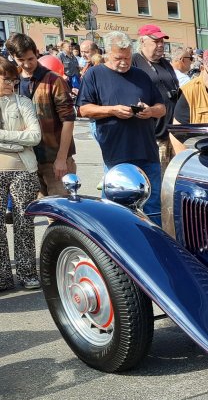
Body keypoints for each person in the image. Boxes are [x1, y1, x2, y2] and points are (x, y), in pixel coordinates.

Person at [77, 30, 165, 218]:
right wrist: (112, 110)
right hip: (116, 153)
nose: (124, 62)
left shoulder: (141, 75)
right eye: (118, 58)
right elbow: (83, 110)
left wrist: (150, 111)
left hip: (147, 151)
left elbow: (162, 108)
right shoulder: (95, 74)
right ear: (107, 53)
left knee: (153, 205)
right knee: (115, 207)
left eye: (127, 57)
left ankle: (154, 244)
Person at [5, 33, 76, 197]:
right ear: (12, 57)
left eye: (30, 58)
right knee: (31, 209)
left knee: (60, 210)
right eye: (21, 60)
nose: (27, 64)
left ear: (36, 52)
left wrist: (62, 158)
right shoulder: (11, 80)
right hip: (24, 157)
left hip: (53, 156)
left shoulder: (54, 80)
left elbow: (68, 120)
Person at [0, 56, 42, 290]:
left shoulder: (22, 102)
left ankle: (27, 273)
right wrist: (17, 141)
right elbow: (25, 138)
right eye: (5, 79)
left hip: (24, 170)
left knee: (24, 222)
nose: (10, 84)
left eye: (13, 80)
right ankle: (2, 275)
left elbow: (35, 136)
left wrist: (3, 137)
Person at [132, 24, 182, 178]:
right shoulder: (135, 62)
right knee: (157, 180)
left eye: (162, 41)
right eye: (156, 42)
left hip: (172, 131)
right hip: (154, 134)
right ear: (142, 41)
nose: (160, 45)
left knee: (173, 179)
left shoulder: (165, 63)